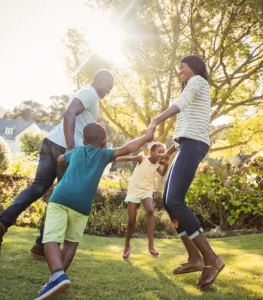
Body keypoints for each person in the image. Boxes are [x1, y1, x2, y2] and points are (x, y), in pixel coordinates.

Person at [0, 70, 114, 262]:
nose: (109, 91)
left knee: (38, 187)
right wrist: (70, 146)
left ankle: (2, 226)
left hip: (50, 142)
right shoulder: (91, 93)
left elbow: (73, 116)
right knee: (61, 199)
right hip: (64, 148)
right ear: (99, 80)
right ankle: (43, 245)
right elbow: (69, 114)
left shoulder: (86, 94)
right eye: (108, 86)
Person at [35, 123, 154, 300]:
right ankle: (56, 280)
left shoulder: (76, 152)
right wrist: (146, 137)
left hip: (61, 198)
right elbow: (128, 148)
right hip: (82, 205)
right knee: (71, 243)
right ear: (104, 142)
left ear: (83, 141)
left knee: (51, 239)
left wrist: (64, 158)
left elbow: (60, 159)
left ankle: (58, 275)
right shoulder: (104, 154)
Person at [147, 55, 225, 290]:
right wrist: (170, 151)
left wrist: (156, 119)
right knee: (168, 201)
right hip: (187, 144)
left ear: (194, 68)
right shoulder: (194, 85)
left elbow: (180, 104)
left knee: (175, 200)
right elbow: (186, 127)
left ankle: (212, 259)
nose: (179, 72)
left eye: (182, 67)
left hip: (194, 145)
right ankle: (194, 258)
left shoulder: (198, 81)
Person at [115, 142, 168, 259]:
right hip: (134, 190)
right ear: (151, 152)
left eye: (163, 152)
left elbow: (163, 173)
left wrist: (166, 164)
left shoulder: (158, 164)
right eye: (159, 152)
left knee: (150, 211)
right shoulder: (142, 158)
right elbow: (128, 158)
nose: (161, 154)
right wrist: (114, 158)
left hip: (147, 190)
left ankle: (151, 245)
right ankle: (127, 245)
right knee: (131, 221)